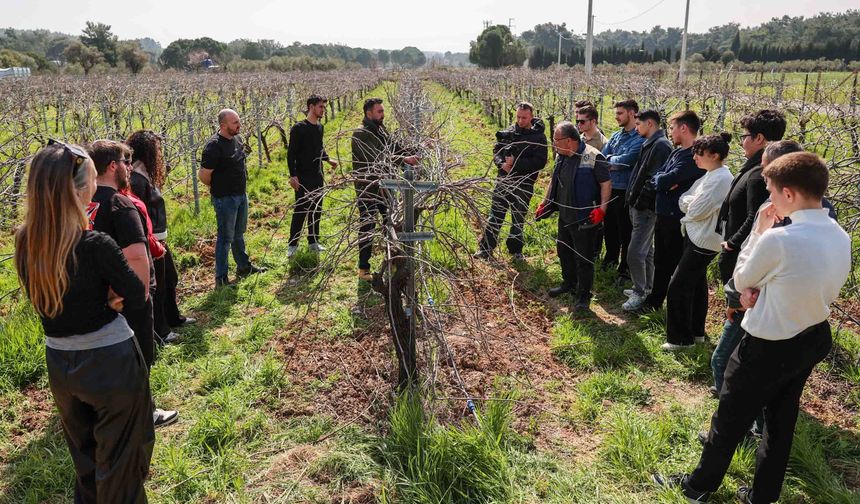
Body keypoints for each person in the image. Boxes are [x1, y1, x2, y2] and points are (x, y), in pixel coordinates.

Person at [655, 152, 850, 504]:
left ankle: (699, 486)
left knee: (729, 416)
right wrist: (763, 288)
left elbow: (741, 277)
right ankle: (763, 495)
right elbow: (809, 282)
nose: (769, 200)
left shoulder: (780, 238)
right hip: (813, 335)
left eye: (772, 192)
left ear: (789, 194)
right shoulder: (840, 235)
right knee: (780, 420)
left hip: (767, 341)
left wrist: (760, 231)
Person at [15, 141, 154, 503]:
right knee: (122, 464)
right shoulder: (95, 244)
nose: (95, 186)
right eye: (92, 179)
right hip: (110, 364)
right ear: (78, 189)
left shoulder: (26, 242)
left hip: (60, 365)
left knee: (87, 462)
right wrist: (110, 296)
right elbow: (137, 295)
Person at [89, 139, 178, 428]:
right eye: (126, 162)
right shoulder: (119, 204)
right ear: (113, 166)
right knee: (139, 355)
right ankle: (144, 413)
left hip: (99, 295)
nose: (130, 167)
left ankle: (109, 411)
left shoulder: (85, 203)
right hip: (128, 294)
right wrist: (140, 296)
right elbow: (138, 257)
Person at [710, 109, 786, 395]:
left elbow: (755, 218)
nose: (741, 142)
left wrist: (732, 243)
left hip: (746, 267)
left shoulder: (758, 175)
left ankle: (732, 383)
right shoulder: (754, 169)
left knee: (738, 326)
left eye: (744, 137)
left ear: (759, 138)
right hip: (744, 265)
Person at [662, 133, 733, 350]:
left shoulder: (722, 179)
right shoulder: (709, 174)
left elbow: (695, 208)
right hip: (695, 235)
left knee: (677, 287)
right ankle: (696, 333)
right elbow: (687, 198)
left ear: (715, 155)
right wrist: (689, 203)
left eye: (699, 154)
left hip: (704, 241)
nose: (695, 158)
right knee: (696, 286)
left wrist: (689, 203)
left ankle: (680, 339)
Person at [127, 130, 196, 345]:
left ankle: (173, 318)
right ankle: (161, 332)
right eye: (156, 148)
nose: (160, 152)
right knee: (159, 286)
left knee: (170, 279)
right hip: (151, 241)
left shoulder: (145, 174)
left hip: (159, 238)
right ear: (147, 151)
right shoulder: (137, 180)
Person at [535, 121, 611, 311]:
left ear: (569, 141)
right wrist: (545, 202)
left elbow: (606, 184)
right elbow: (554, 180)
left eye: (556, 140)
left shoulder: (593, 156)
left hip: (585, 217)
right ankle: (569, 283)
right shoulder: (561, 156)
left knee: (584, 259)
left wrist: (602, 209)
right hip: (565, 215)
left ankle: (583, 297)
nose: (554, 144)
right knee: (564, 251)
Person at [640, 110, 704, 312]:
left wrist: (666, 181)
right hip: (663, 214)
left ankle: (678, 307)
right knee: (661, 260)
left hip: (677, 219)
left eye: (673, 127)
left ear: (683, 128)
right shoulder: (677, 153)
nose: (671, 132)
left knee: (675, 264)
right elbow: (660, 178)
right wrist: (665, 181)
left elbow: (666, 179)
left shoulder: (695, 157)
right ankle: (655, 302)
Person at [351, 97, 419, 281]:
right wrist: (403, 161)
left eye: (383, 111)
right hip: (369, 187)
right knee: (367, 225)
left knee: (390, 221)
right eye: (379, 111)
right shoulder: (361, 134)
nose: (383, 114)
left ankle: (393, 258)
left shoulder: (380, 130)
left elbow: (395, 148)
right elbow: (377, 158)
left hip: (386, 186)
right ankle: (363, 269)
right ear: (369, 113)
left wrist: (415, 150)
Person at [199, 108, 266, 288]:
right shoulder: (213, 146)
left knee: (238, 233)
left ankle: (243, 266)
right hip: (225, 199)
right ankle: (221, 279)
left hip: (240, 195)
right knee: (225, 238)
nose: (239, 125)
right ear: (223, 125)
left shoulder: (237, 139)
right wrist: (219, 188)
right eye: (235, 122)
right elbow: (204, 175)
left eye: (238, 121)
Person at [474, 102, 548, 261]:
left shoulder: (539, 137)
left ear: (531, 117)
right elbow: (497, 151)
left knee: (518, 218)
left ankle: (516, 251)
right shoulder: (508, 132)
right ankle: (486, 249)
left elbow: (540, 161)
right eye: (518, 117)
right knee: (495, 215)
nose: (520, 121)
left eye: (524, 117)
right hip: (504, 181)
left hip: (524, 183)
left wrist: (514, 165)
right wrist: (501, 164)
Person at [622, 110, 672, 311]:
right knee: (647, 251)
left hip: (645, 208)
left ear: (649, 123)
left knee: (634, 252)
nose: (636, 128)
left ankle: (639, 291)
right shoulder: (651, 143)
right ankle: (647, 287)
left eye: (638, 124)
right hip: (639, 206)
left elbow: (654, 179)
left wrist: (641, 202)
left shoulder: (660, 146)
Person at [287, 94, 338, 257]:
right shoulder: (299, 128)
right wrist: (293, 175)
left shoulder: (319, 127)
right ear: (311, 107)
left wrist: (328, 159)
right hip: (302, 176)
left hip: (317, 174)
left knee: (316, 208)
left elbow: (319, 147)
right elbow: (291, 154)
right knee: (301, 210)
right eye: (321, 107)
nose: (323, 110)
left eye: (324, 107)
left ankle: (313, 242)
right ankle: (292, 245)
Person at [601, 99, 644, 280]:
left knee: (625, 231)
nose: (616, 116)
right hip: (611, 188)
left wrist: (611, 160)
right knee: (609, 228)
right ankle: (610, 259)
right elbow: (602, 156)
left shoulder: (639, 138)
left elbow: (627, 160)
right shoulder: (616, 135)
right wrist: (612, 160)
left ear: (632, 113)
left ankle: (624, 269)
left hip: (626, 191)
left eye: (620, 113)